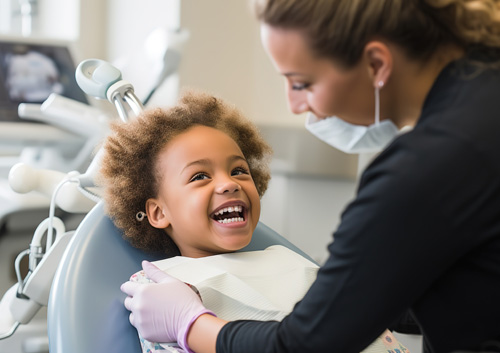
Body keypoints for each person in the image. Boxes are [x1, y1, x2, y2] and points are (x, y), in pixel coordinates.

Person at [120, 1, 500, 353]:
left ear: (377, 65)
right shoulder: (483, 94)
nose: (295, 104)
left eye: (302, 83)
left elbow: (305, 346)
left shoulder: (426, 168)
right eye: (199, 176)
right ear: (156, 211)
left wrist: (190, 325)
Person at [104, 90, 406, 353]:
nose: (229, 184)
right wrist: (186, 324)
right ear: (158, 213)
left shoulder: (292, 263)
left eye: (239, 170)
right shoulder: (162, 290)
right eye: (199, 176)